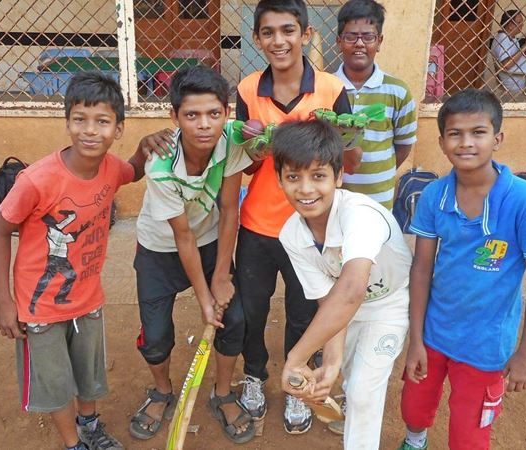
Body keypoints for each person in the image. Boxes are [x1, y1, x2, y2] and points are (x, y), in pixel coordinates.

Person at [396, 89, 526, 450]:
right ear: (441, 142)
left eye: (478, 132)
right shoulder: (435, 196)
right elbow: (421, 269)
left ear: (497, 138)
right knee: (414, 407)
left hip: (485, 345)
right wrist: (416, 340)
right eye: (455, 133)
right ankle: (415, 439)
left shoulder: (525, 202)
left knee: (469, 434)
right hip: (435, 333)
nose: (466, 142)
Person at [0, 71, 145, 450]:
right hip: (38, 307)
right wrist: (3, 301)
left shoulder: (111, 169)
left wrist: (146, 147)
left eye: (103, 121)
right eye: (80, 119)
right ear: (67, 122)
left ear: (118, 129)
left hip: (87, 299)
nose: (90, 131)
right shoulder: (36, 180)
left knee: (89, 372)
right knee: (56, 380)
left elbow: (133, 171)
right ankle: (73, 442)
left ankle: (90, 424)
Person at [234, 0, 360, 435]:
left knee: (304, 313)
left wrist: (342, 135)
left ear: (305, 35)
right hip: (259, 227)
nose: (278, 40)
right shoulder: (249, 88)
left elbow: (353, 161)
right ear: (257, 39)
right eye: (268, 32)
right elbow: (245, 164)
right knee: (251, 309)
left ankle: (297, 383)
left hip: (312, 231)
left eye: (288, 30)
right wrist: (256, 147)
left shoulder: (329, 89)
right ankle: (253, 376)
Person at [128, 66, 255, 444]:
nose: (204, 125)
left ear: (227, 113)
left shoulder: (232, 141)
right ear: (174, 117)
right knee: (155, 335)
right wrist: (204, 297)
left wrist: (220, 277)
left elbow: (230, 209)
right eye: (191, 115)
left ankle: (222, 393)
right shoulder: (160, 164)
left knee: (233, 319)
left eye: (214, 114)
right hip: (160, 248)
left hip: (211, 241)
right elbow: (181, 236)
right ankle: (162, 392)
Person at [273, 119, 411, 449]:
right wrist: (331, 361)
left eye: (318, 176)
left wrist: (296, 357)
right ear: (279, 179)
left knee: (363, 391)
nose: (306, 190)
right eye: (293, 177)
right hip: (345, 310)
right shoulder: (291, 235)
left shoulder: (360, 215)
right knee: (351, 382)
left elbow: (350, 290)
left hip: (389, 304)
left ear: (338, 176)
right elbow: (329, 301)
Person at [333, 0, 418, 210]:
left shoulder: (397, 91)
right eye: (351, 36)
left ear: (379, 41)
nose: (359, 43)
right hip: (335, 200)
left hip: (379, 201)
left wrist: (383, 173)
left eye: (368, 36)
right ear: (339, 41)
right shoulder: (327, 88)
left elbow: (403, 147)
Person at [490, 9, 526, 95]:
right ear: (510, 25)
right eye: (519, 22)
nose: (522, 25)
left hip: (523, 78)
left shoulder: (511, 38)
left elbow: (521, 59)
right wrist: (524, 47)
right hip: (515, 80)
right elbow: (506, 65)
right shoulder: (502, 39)